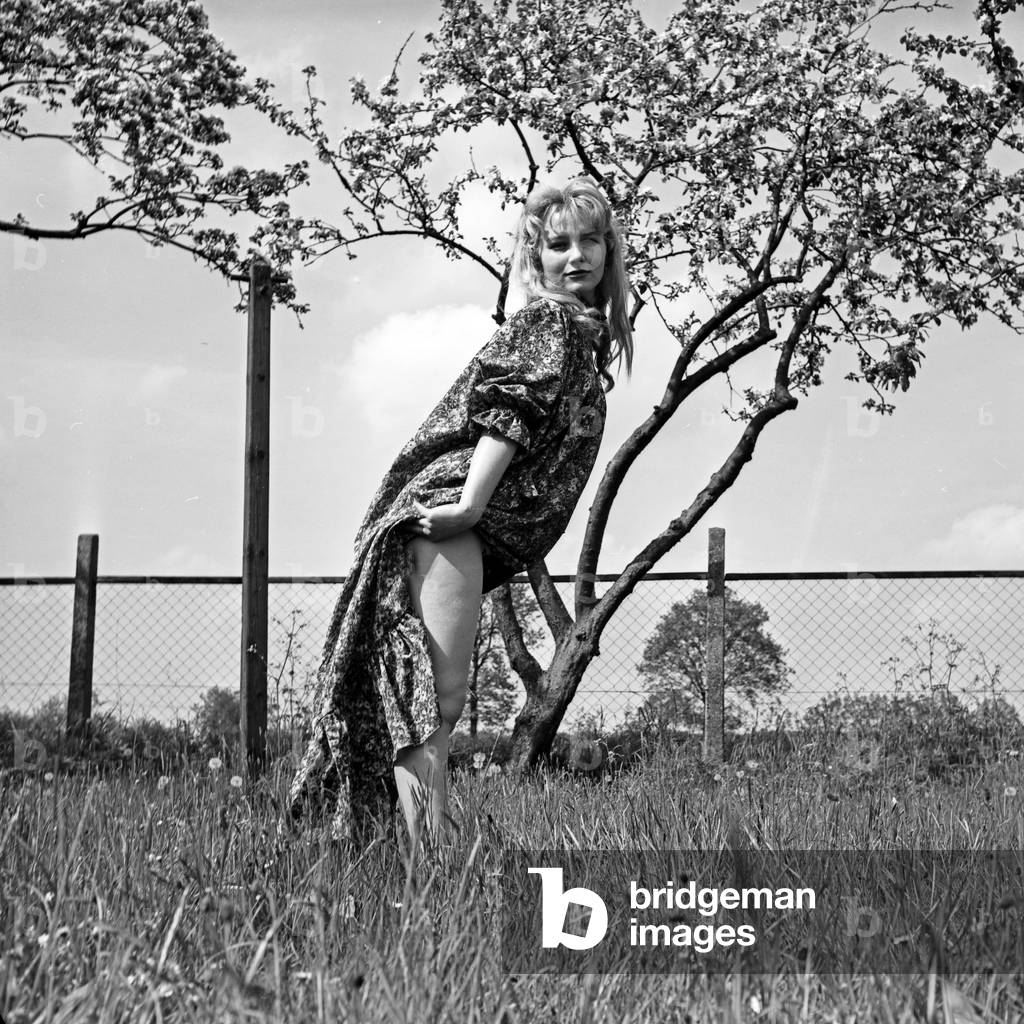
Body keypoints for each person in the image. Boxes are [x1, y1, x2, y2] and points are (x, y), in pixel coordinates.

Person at [288, 178, 634, 846]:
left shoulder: (576, 335)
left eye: (591, 239)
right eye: (557, 244)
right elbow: (506, 417)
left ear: (610, 249)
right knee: (438, 700)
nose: (577, 255)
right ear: (536, 262)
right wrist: (470, 506)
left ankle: (410, 848)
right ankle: (433, 856)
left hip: (462, 523)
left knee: (431, 699)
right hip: (450, 515)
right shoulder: (548, 323)